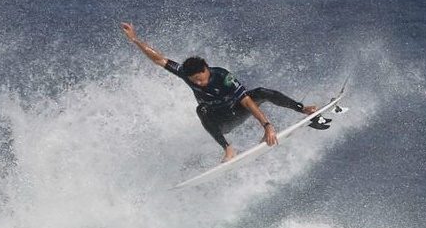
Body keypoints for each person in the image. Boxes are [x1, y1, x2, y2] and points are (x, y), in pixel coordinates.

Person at [121, 22, 320, 162]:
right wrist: (135, 39)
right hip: (219, 120)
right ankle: (228, 149)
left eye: (201, 77)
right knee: (201, 110)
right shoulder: (184, 72)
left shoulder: (222, 76)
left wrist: (267, 126)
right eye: (195, 81)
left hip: (237, 111)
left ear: (206, 67)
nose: (200, 82)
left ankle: (302, 109)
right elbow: (159, 59)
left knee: (261, 92)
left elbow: (247, 102)